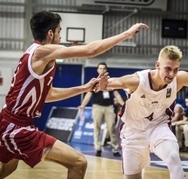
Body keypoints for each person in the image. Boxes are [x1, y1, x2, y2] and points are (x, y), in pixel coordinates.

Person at [0, 10, 148, 179]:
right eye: (59, 31)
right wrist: (127, 34)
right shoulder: (42, 52)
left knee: (7, 170)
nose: (60, 36)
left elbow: (48, 95)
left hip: (9, 121)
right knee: (79, 162)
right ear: (50, 34)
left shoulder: (35, 54)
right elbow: (91, 50)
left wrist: (85, 88)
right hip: (17, 127)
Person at [97, 45, 188, 179]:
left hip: (159, 126)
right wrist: (104, 85)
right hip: (133, 130)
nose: (172, 74)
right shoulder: (138, 80)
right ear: (157, 65)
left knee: (173, 157)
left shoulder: (178, 79)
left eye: (176, 69)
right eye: (168, 69)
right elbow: (117, 82)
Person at [79, 62, 124, 157]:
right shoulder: (94, 82)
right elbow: (88, 95)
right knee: (97, 128)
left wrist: (124, 105)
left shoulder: (110, 81)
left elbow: (117, 94)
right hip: (97, 107)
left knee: (111, 127)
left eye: (104, 68)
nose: (102, 70)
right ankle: (98, 149)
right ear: (97, 70)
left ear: (106, 70)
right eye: (100, 68)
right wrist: (82, 105)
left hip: (109, 107)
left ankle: (115, 149)